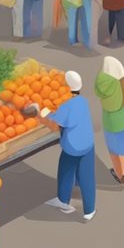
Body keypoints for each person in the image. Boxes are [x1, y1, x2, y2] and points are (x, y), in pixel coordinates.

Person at [41, 71, 96, 220]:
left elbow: (57, 121)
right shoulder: (83, 101)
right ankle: (89, 210)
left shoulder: (67, 105)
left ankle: (63, 202)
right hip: (88, 144)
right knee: (87, 177)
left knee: (65, 171)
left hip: (73, 147)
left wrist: (44, 112)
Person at [96, 57, 124, 184]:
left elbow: (96, 90)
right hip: (122, 118)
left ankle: (119, 174)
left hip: (109, 120)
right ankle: (123, 173)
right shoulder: (120, 82)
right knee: (122, 147)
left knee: (112, 149)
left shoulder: (100, 82)